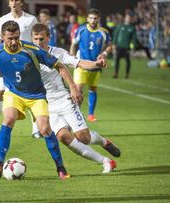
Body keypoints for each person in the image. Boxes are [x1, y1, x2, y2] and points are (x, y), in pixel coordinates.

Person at [0, 21, 83, 179]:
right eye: (10, 38)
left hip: (36, 95)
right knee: (9, 118)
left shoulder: (31, 50)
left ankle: (60, 168)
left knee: (45, 129)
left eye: (16, 38)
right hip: (14, 94)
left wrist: (73, 87)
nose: (13, 42)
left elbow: (59, 66)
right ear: (2, 37)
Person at [31, 23, 120, 173]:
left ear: (49, 38)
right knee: (64, 137)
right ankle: (106, 161)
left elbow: (78, 62)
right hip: (46, 106)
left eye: (42, 39)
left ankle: (101, 140)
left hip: (65, 101)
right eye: (36, 39)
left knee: (83, 138)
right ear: (32, 39)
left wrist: (95, 64)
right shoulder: (28, 56)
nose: (39, 42)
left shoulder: (57, 53)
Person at [0, 0, 38, 137]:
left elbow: (35, 40)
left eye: (17, 0)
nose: (14, 3)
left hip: (25, 63)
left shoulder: (31, 20)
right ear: (8, 3)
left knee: (31, 94)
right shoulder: (2, 20)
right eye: (11, 0)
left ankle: (36, 130)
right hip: (5, 63)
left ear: (21, 3)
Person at [70, 8, 112, 122]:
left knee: (93, 89)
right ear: (87, 19)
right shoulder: (81, 30)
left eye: (95, 18)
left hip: (96, 66)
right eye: (91, 18)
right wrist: (72, 59)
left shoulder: (103, 32)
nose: (93, 20)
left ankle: (91, 114)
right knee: (78, 90)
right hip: (81, 65)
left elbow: (110, 45)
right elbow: (73, 45)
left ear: (99, 19)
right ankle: (76, 114)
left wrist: (104, 53)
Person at [112, 14, 137, 79]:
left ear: (131, 19)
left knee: (127, 60)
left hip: (127, 47)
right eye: (127, 18)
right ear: (125, 18)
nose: (128, 19)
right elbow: (115, 35)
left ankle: (127, 74)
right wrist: (114, 44)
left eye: (129, 18)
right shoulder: (120, 26)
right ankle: (115, 73)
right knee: (117, 59)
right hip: (119, 46)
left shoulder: (132, 28)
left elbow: (134, 38)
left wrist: (133, 47)